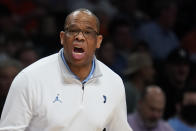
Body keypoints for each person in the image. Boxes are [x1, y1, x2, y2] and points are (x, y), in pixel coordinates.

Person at [0, 8, 132, 131]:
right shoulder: (29, 78)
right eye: (73, 30)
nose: (79, 37)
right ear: (62, 38)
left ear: (98, 41)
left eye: (87, 32)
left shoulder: (113, 82)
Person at [157, 47, 191, 119]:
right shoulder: (159, 92)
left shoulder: (192, 91)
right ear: (168, 67)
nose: (182, 69)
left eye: (185, 64)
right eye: (178, 64)